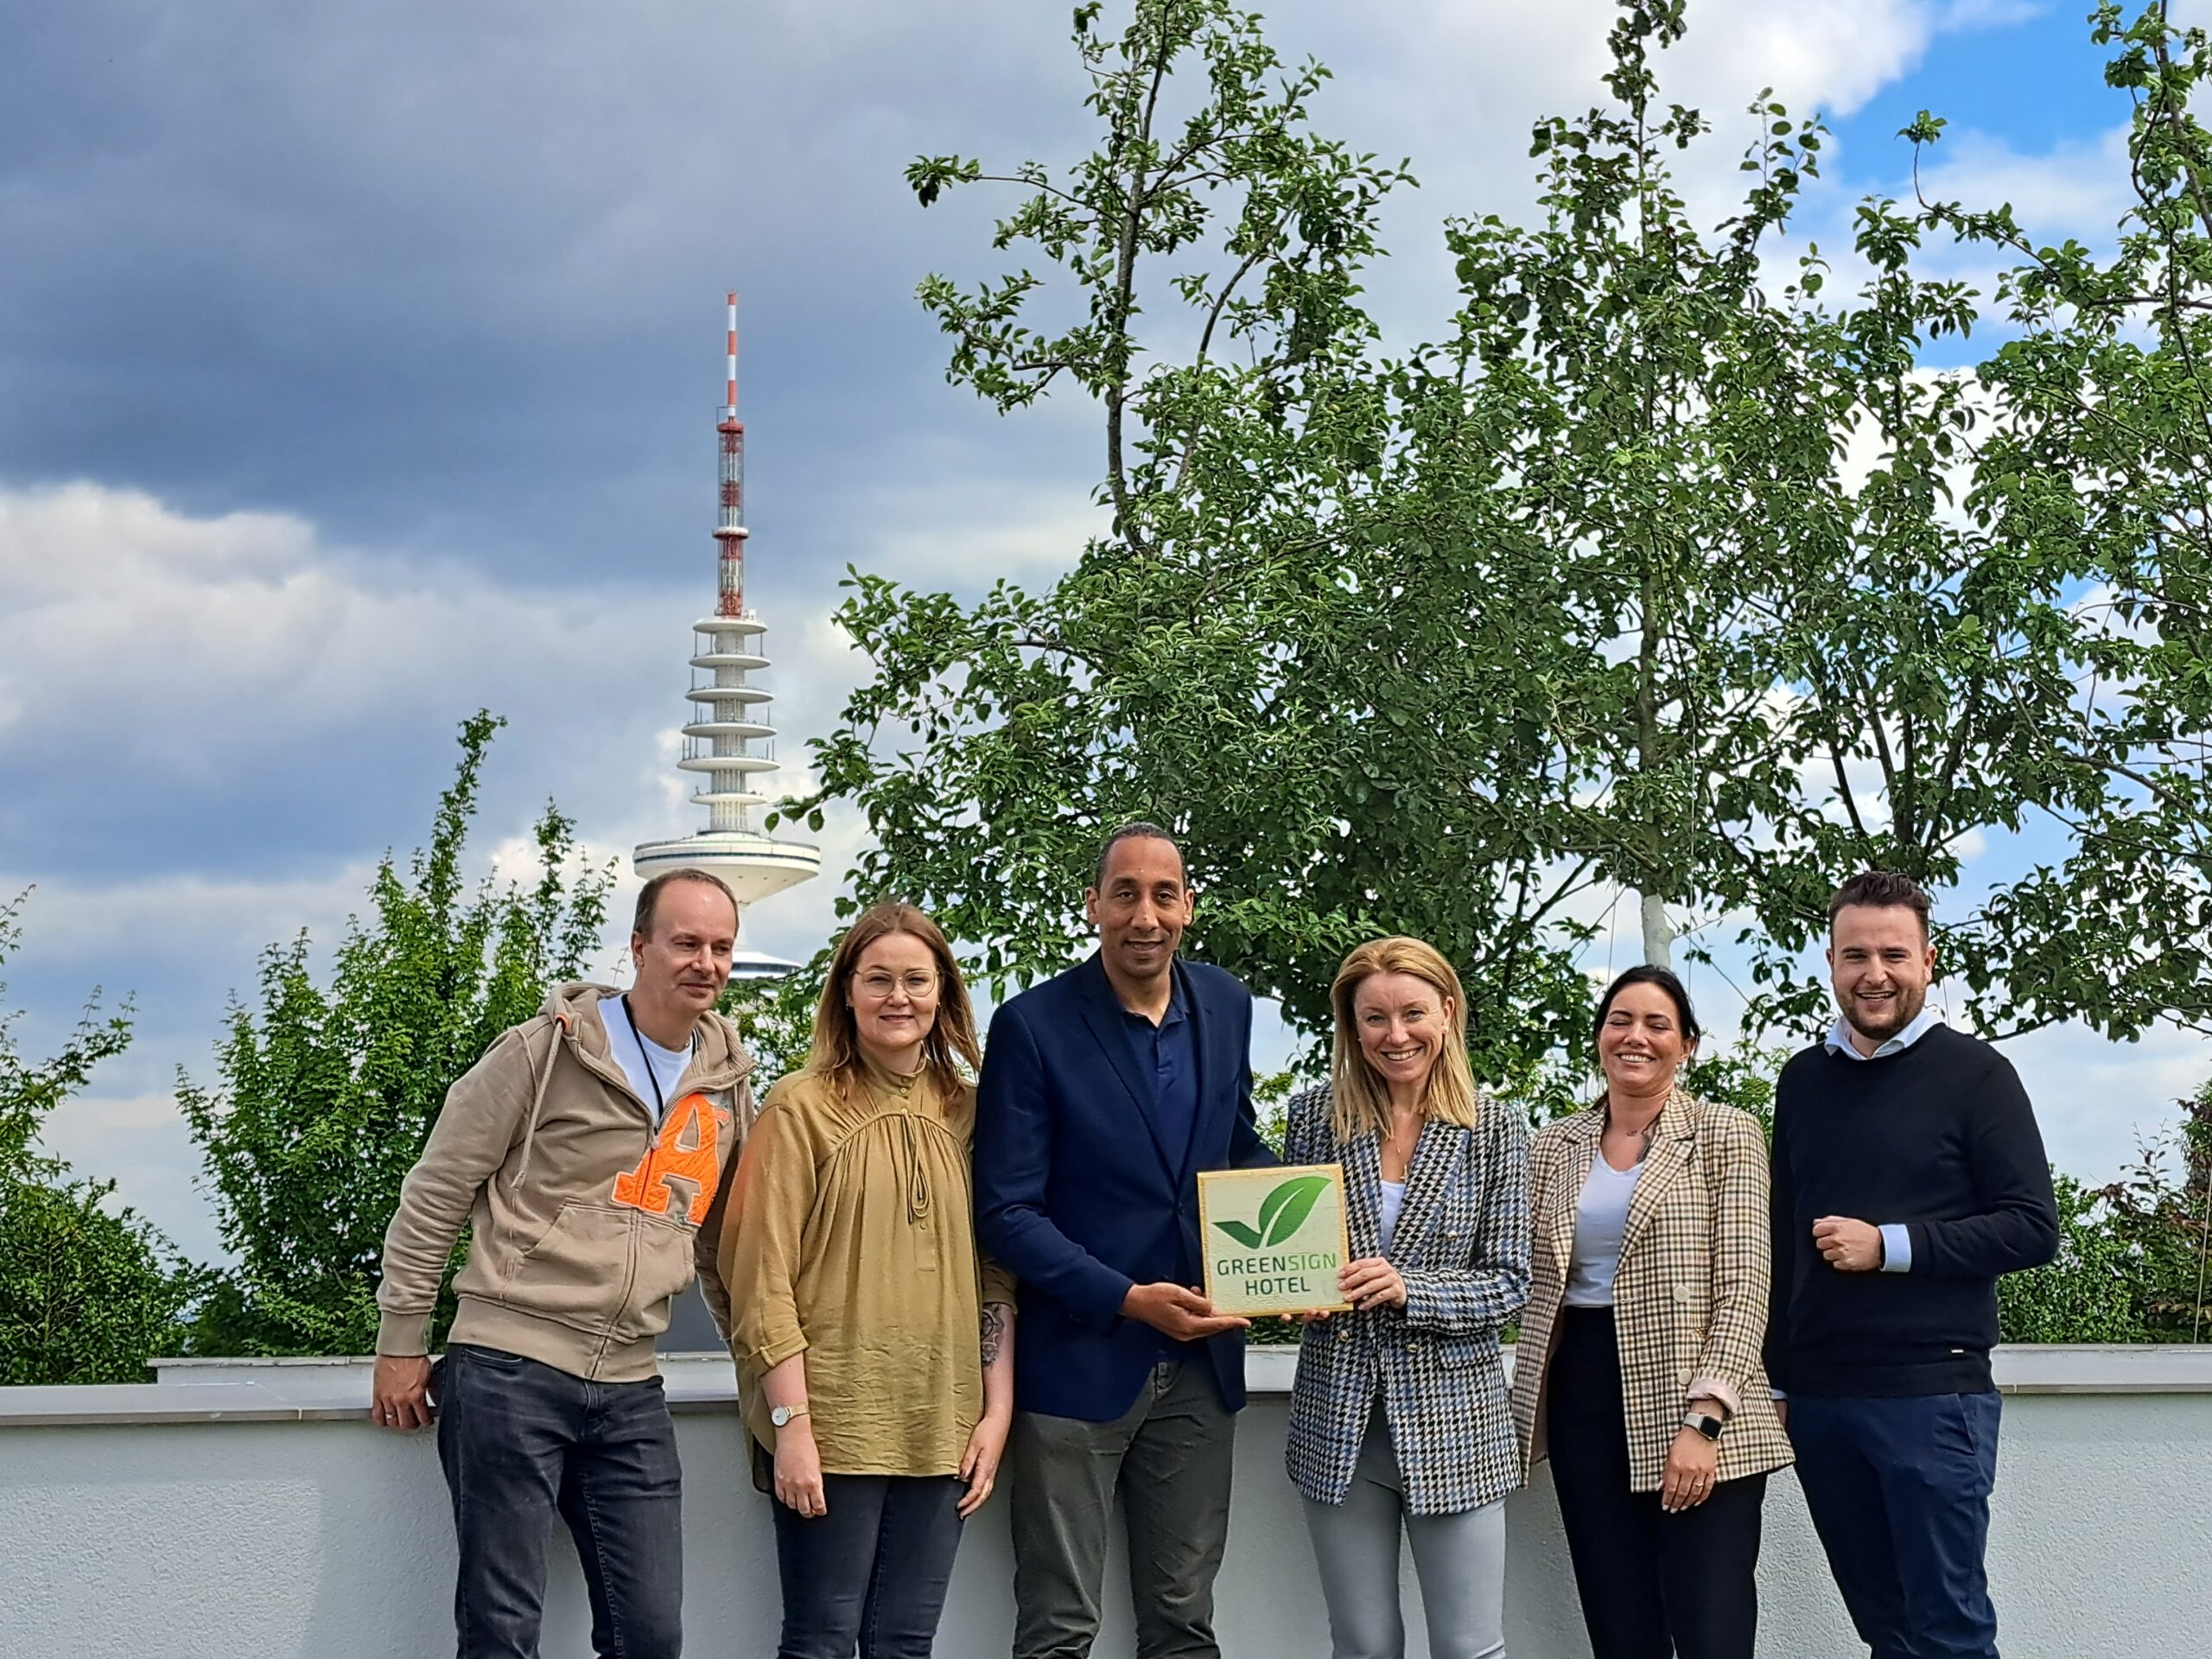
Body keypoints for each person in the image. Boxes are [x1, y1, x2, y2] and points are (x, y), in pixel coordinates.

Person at [371, 868, 754, 1659]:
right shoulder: (542, 1052)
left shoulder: (725, 1083)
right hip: (511, 1366)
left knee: (650, 1633)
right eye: (686, 943)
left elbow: (718, 1240)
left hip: (631, 1386)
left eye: (721, 948)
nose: (705, 963)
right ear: (640, 946)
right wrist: (401, 1337)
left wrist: (756, 1363)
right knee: (502, 1628)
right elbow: (438, 1187)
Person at [973, 822, 1272, 1659]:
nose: (1146, 915)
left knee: (1183, 1626)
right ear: (1093, 905)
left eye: (1164, 895)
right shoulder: (1031, 1026)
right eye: (1126, 894)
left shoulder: (1225, 1003)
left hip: (1201, 1371)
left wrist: (1305, 1237)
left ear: (1188, 907)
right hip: (1075, 1367)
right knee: (1059, 1629)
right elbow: (1004, 1212)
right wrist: (1128, 1300)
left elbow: (1234, 1144)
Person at [1768, 872, 2059, 1659]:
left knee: (1947, 1631)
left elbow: (2032, 1229)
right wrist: (1780, 1381)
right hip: (1823, 1402)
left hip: (1933, 1396)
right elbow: (1782, 1241)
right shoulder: (1802, 1082)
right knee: (1886, 1631)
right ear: (1830, 961)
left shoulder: (1978, 1077)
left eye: (1894, 954)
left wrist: (1889, 1245)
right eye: (1855, 954)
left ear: (1928, 961)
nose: (1875, 973)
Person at [721, 902, 1016, 1659]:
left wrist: (995, 1412)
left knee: (906, 1643)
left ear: (944, 995)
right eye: (878, 978)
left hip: (942, 1424)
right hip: (834, 1424)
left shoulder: (974, 1114)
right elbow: (759, 1278)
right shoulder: (799, 1109)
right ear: (846, 991)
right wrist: (791, 1428)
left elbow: (996, 1275)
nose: (898, 997)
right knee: (821, 1643)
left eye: (918, 980)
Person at [1510, 965, 1790, 1659]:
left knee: (1710, 1623)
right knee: (1619, 1621)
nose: (1636, 1037)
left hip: (1698, 1395)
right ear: (1600, 1037)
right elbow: (1518, 1269)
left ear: (1687, 1045)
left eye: (1657, 1024)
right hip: (1583, 1388)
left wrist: (1706, 1417)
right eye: (1620, 1021)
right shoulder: (1553, 1144)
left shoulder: (1727, 1133)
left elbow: (1747, 1282)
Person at [1283, 937, 1530, 1659]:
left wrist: (1407, 1287)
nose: (1396, 1035)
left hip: (1458, 1425)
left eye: (1413, 1013)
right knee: (1362, 1646)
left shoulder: (1496, 1128)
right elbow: (1298, 1258)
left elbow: (1510, 1282)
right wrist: (1301, 1297)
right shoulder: (1313, 1118)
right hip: (1339, 1422)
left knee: (1469, 1648)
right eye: (1375, 1018)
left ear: (1447, 1012)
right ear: (1351, 1027)